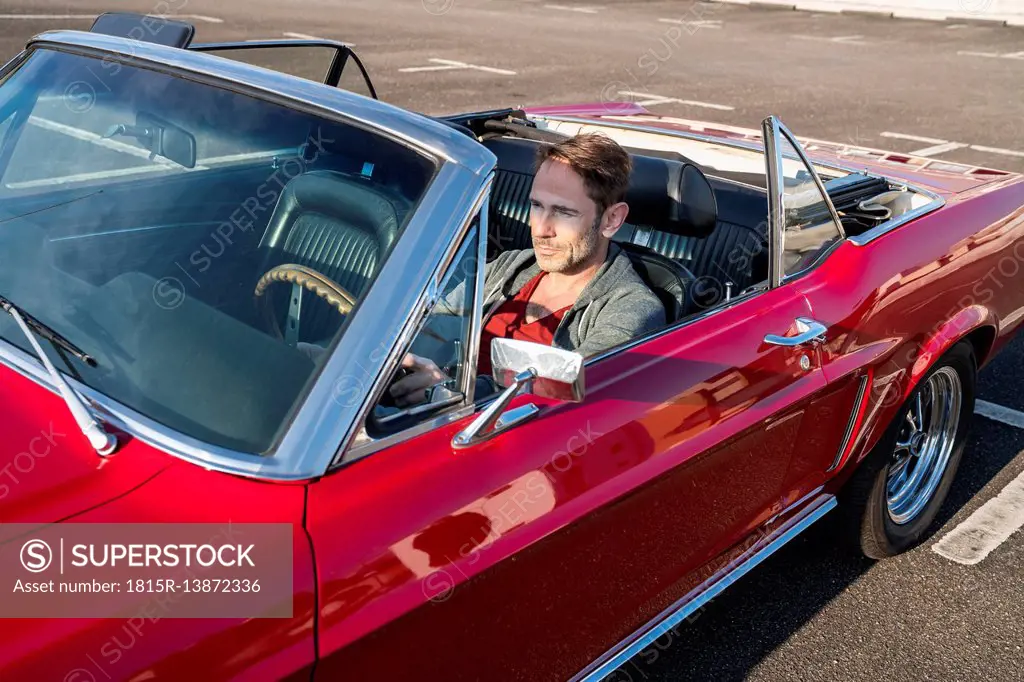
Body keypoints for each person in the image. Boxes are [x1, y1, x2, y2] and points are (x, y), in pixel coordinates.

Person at [387, 132, 665, 407]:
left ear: (611, 219)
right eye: (536, 206)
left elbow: (556, 391)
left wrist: (448, 391)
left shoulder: (632, 308)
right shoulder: (511, 265)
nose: (541, 229)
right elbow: (430, 319)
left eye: (564, 212)